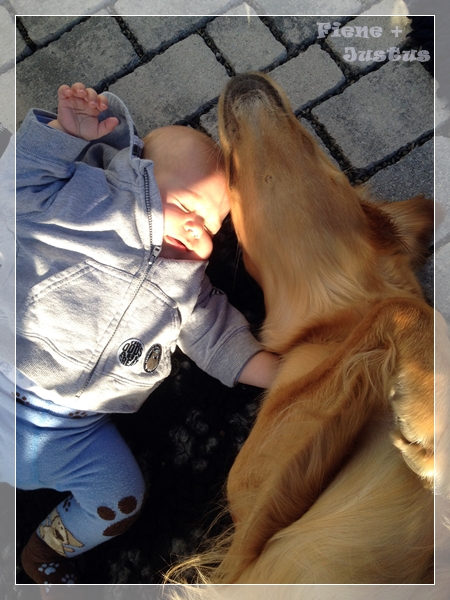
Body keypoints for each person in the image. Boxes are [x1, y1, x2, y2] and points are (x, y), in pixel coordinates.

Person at [13, 83, 279, 585]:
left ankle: (48, 548)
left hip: (73, 434)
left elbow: (218, 337)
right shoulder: (85, 203)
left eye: (213, 226)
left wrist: (281, 372)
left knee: (122, 496)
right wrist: (62, 135)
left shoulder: (189, 285)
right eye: (191, 207)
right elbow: (18, 184)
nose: (200, 229)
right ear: (136, 178)